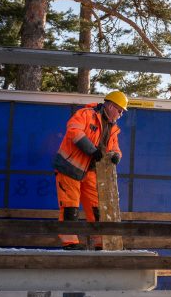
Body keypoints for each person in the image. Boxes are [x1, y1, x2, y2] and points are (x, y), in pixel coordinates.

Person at [53, 90, 126, 249]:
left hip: (91, 172)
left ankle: (101, 244)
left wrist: (116, 156)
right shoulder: (86, 114)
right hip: (69, 168)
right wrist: (92, 150)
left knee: (97, 209)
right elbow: (74, 131)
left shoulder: (113, 129)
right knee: (70, 207)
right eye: (120, 110)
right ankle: (70, 244)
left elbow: (116, 148)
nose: (121, 114)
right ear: (111, 106)